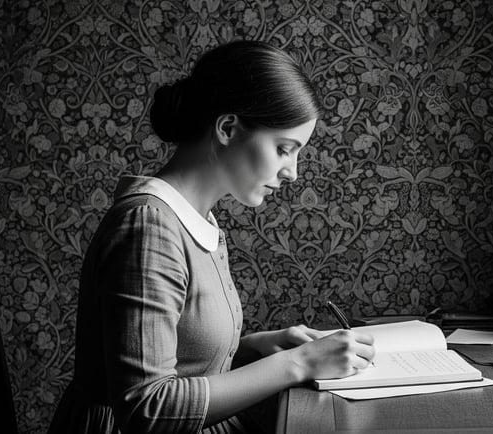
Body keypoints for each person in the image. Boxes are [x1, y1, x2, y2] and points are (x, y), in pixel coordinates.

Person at [48, 40, 376, 433]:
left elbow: (177, 355)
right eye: (284, 149)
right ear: (227, 128)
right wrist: (298, 363)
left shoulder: (192, 219)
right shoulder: (149, 229)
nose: (293, 173)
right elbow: (146, 410)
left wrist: (251, 347)